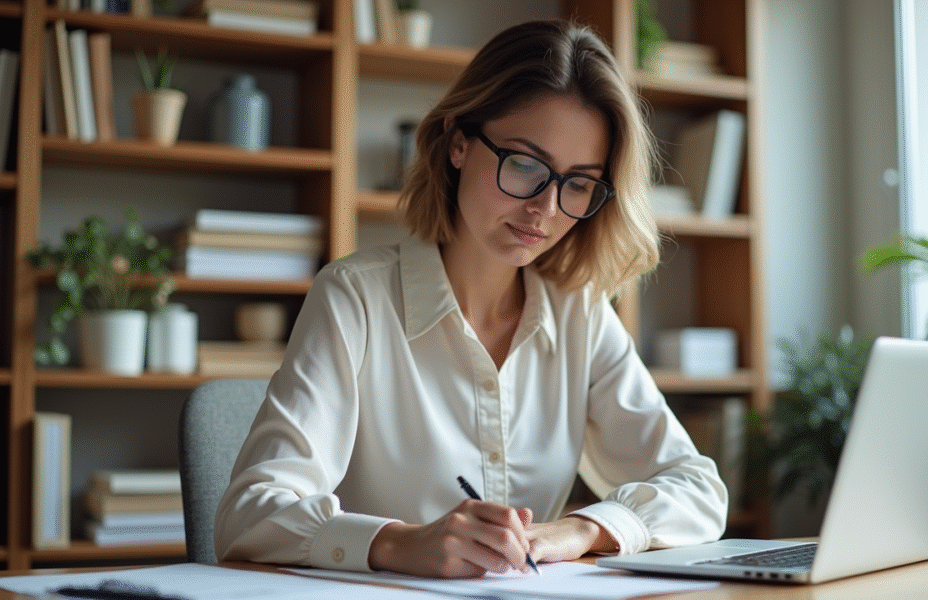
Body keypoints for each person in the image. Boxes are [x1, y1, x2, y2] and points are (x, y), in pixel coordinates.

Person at [214, 19, 727, 578]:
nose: (546, 208)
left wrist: (583, 529)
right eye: (526, 165)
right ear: (459, 142)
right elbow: (246, 519)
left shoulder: (578, 312)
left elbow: (699, 489)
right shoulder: (354, 299)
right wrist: (396, 542)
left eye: (578, 182)